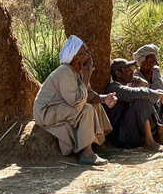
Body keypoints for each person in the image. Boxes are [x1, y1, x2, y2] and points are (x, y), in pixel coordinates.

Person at [33, 35, 116, 165]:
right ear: (75, 58)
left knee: (96, 105)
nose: (88, 56)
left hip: (60, 107)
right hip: (45, 112)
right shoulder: (65, 71)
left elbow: (88, 94)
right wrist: (87, 75)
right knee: (87, 109)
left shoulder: (78, 72)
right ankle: (86, 154)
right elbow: (77, 102)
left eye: (87, 52)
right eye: (84, 53)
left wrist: (104, 99)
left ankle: (99, 144)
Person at [104, 58, 163, 150]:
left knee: (158, 98)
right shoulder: (113, 88)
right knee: (142, 101)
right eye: (127, 69)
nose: (131, 71)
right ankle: (149, 142)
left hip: (134, 132)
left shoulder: (128, 85)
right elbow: (131, 93)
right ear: (118, 73)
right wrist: (157, 94)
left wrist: (158, 93)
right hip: (122, 136)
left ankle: (160, 137)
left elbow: (143, 89)